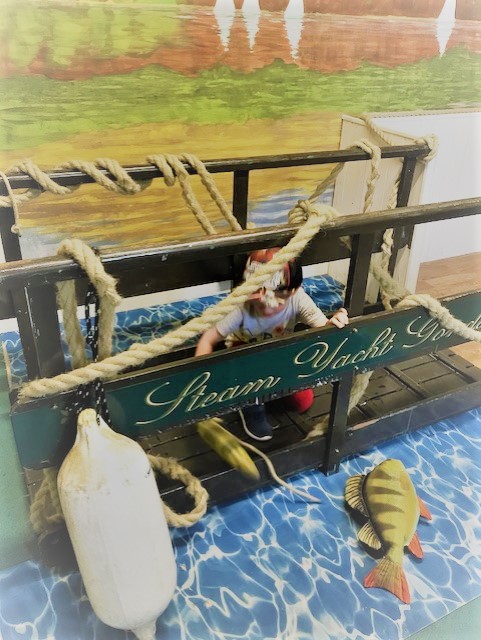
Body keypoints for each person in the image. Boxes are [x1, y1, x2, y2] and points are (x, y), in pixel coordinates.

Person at [195, 248, 349, 441]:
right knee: (251, 371)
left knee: (303, 402)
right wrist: (200, 389)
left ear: (292, 291)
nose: (265, 300)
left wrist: (335, 321)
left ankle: (270, 393)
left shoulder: (298, 298)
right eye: (256, 290)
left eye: (276, 294)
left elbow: (322, 326)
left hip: (278, 352)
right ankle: (249, 403)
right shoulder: (242, 304)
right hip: (244, 353)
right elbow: (208, 338)